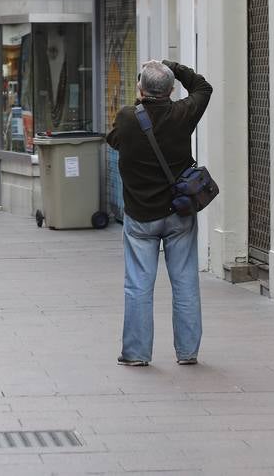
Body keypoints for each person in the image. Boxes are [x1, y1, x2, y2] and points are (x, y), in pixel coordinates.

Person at [106, 60, 213, 367]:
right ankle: (188, 352)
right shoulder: (182, 113)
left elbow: (114, 138)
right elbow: (203, 87)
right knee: (185, 281)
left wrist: (141, 99)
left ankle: (137, 353)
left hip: (141, 216)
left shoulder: (128, 118)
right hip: (179, 212)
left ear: (140, 90)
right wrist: (172, 67)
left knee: (138, 283)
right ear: (171, 90)